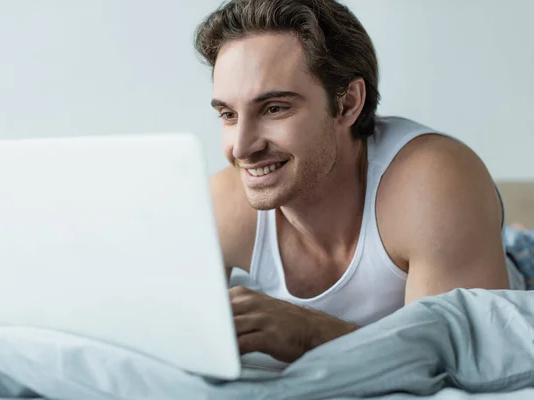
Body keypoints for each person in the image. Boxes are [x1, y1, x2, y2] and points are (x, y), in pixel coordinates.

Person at [193, 0, 524, 364]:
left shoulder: (434, 183)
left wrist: (311, 333)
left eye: (274, 108)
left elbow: (473, 361)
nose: (241, 147)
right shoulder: (224, 203)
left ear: (348, 104)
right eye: (227, 114)